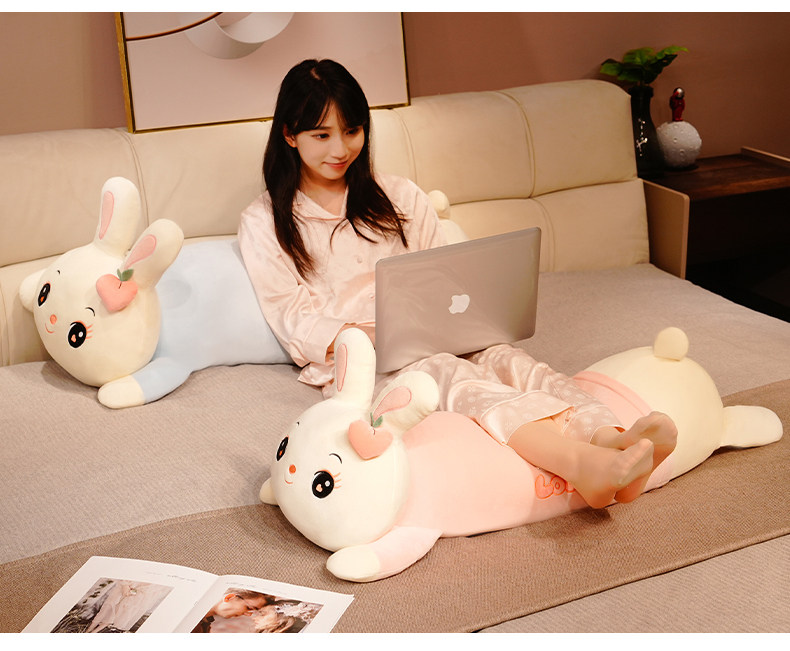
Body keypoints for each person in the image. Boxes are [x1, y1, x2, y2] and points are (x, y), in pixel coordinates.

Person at [238, 59, 677, 510]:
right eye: (321, 135)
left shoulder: (400, 196)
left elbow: (443, 273)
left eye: (352, 131)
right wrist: (373, 334)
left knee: (514, 361)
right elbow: (291, 318)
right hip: (363, 363)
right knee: (455, 377)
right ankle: (581, 464)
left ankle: (611, 438)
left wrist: (458, 315)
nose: (341, 148)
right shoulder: (263, 221)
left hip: (437, 331)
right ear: (289, 134)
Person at [191, 589, 272, 633]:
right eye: (248, 608)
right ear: (229, 597)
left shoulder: (205, 625)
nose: (248, 615)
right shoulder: (189, 614)